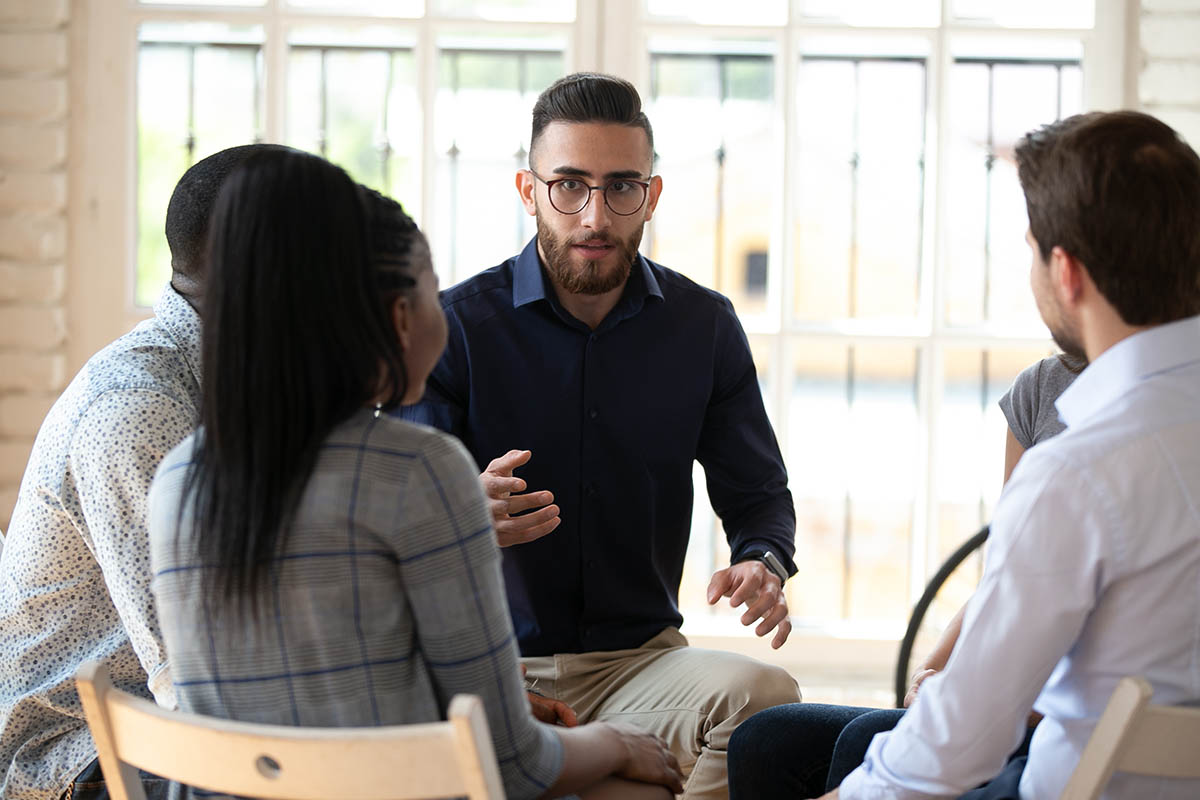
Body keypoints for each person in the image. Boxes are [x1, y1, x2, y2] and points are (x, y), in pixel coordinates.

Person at [147, 149, 684, 800]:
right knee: (640, 787)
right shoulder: (418, 470)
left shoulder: (179, 475)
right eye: (434, 291)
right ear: (402, 318)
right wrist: (614, 741)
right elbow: (510, 765)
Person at [748, 109, 1200, 800]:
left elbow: (951, 753)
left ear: (1067, 273)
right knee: (775, 741)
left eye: (1030, 249)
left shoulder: (1081, 473)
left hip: (1082, 786)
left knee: (829, 764)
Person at [400, 71, 802, 799]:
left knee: (765, 693)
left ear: (649, 195)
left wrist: (763, 560)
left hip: (642, 665)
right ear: (530, 191)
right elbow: (397, 519)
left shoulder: (703, 327)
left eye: (621, 187)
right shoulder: (454, 326)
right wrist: (461, 514)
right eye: (569, 186)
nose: (594, 215)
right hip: (491, 669)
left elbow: (760, 494)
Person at [0, 144, 286, 800]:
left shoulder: (249, 388)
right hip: (78, 759)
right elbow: (200, 680)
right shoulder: (137, 410)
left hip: (168, 729)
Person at [726, 351, 1086, 798]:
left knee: (867, 741)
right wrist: (929, 673)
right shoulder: (1043, 387)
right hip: (1002, 694)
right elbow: (1006, 578)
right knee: (764, 741)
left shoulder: (1131, 446)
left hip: (1061, 715)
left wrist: (995, 700)